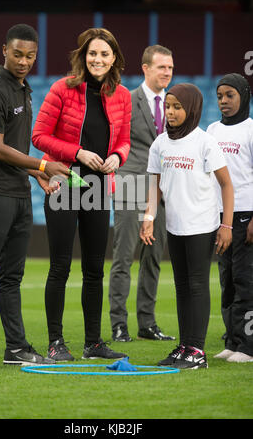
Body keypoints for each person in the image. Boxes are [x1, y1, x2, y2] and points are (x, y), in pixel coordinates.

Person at [0, 24, 69, 370]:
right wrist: (43, 164)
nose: (23, 61)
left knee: (11, 277)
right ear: (4, 50)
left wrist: (37, 175)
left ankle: (16, 348)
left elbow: (16, 148)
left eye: (30, 55)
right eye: (17, 54)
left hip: (19, 194)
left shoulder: (24, 89)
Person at [32, 28, 131, 361]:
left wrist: (118, 156)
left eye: (104, 54)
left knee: (94, 269)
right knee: (60, 267)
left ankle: (93, 343)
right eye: (92, 53)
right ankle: (55, 343)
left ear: (113, 57)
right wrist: (77, 153)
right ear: (82, 56)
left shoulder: (123, 95)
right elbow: (39, 136)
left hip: (99, 187)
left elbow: (124, 141)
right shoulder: (62, 88)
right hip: (65, 182)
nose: (98, 59)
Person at [140, 83, 234, 369]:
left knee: (196, 285)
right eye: (168, 106)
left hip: (202, 226)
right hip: (175, 226)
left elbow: (227, 184)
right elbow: (154, 185)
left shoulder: (205, 142)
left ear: (191, 108)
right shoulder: (160, 143)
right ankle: (184, 347)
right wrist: (149, 217)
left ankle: (197, 351)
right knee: (181, 287)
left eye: (177, 107)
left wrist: (226, 225)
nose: (170, 112)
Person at [109, 45, 175, 342]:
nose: (167, 72)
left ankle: (147, 323)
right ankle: (119, 325)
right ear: (146, 68)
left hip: (162, 189)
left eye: (170, 68)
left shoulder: (174, 103)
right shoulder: (125, 98)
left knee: (153, 258)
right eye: (162, 67)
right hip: (129, 183)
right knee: (123, 258)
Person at [207, 73, 253, 363]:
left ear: (243, 96)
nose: (224, 101)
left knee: (246, 281)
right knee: (227, 281)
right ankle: (232, 340)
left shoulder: (251, 129)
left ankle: (248, 347)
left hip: (246, 215)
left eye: (230, 96)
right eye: (220, 96)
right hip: (219, 216)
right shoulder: (211, 130)